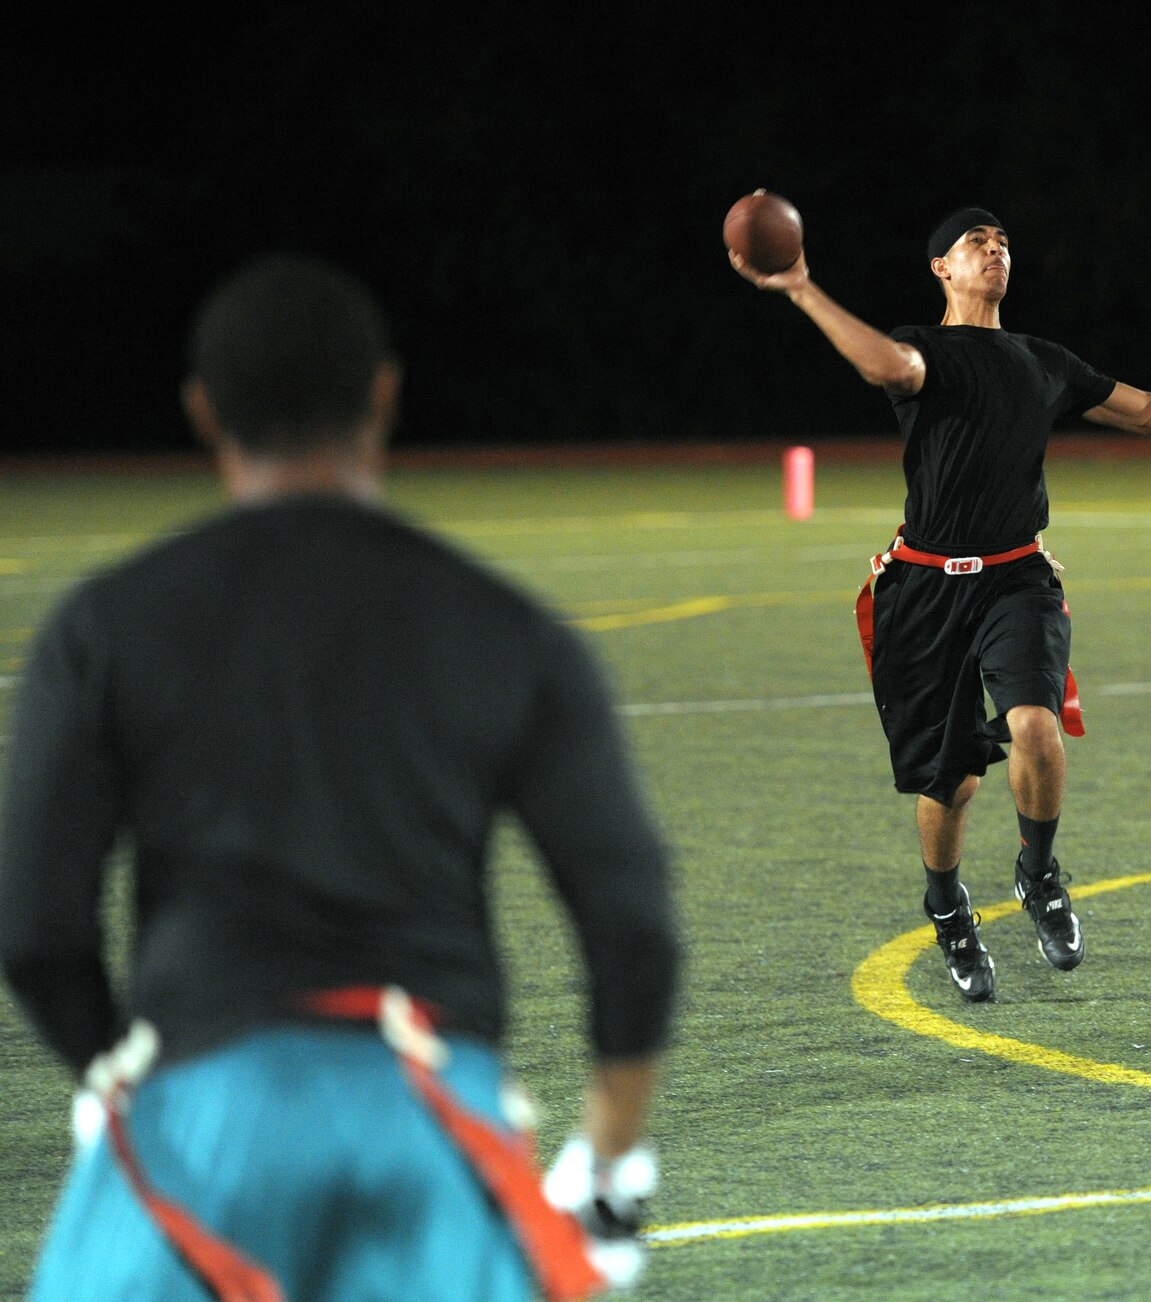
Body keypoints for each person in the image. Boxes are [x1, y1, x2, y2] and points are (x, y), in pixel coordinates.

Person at [0, 253, 681, 1300]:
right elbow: (631, 921)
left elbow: (36, 930)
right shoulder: (505, 630)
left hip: (196, 1118)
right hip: (427, 1114)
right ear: (382, 394)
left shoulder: (106, 625)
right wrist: (610, 1167)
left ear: (202, 411)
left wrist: (113, 1074)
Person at [732, 205, 1151, 1001]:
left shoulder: (1042, 360)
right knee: (949, 783)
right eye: (974, 243)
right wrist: (801, 287)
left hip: (1017, 575)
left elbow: (1149, 410)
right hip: (921, 588)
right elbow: (885, 366)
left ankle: (1038, 871)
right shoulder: (926, 349)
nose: (994, 250)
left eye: (1003, 243)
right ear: (941, 269)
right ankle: (948, 904)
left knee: (1036, 727)